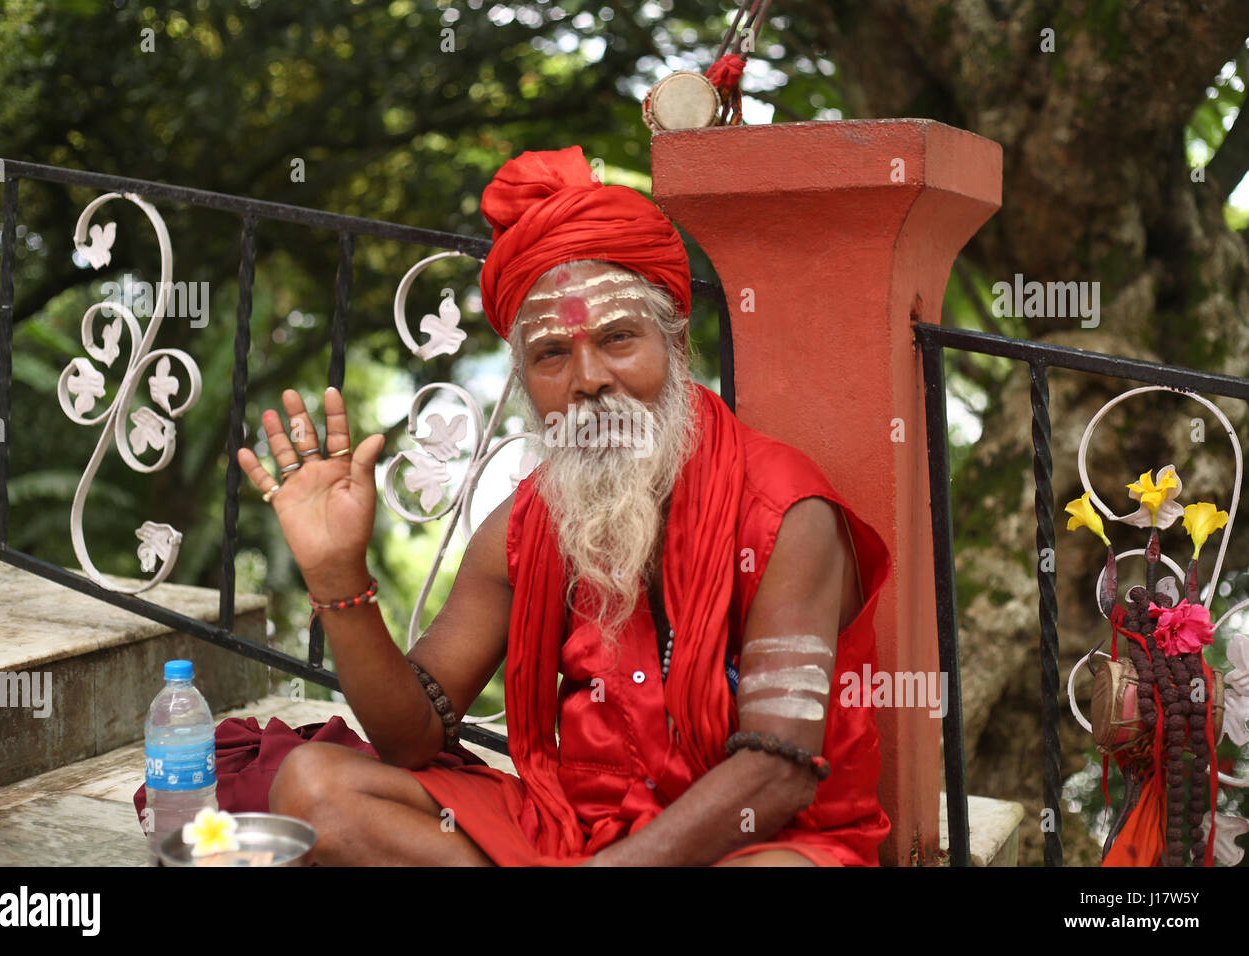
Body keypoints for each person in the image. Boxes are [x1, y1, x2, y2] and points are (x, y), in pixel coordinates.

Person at [236, 145, 892, 866]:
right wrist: (336, 577)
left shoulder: (786, 513)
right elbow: (413, 736)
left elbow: (779, 771)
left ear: (674, 341)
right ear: (523, 379)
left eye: (617, 339)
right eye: (551, 355)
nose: (588, 380)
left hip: (751, 843)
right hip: (573, 834)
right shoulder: (526, 525)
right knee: (313, 790)